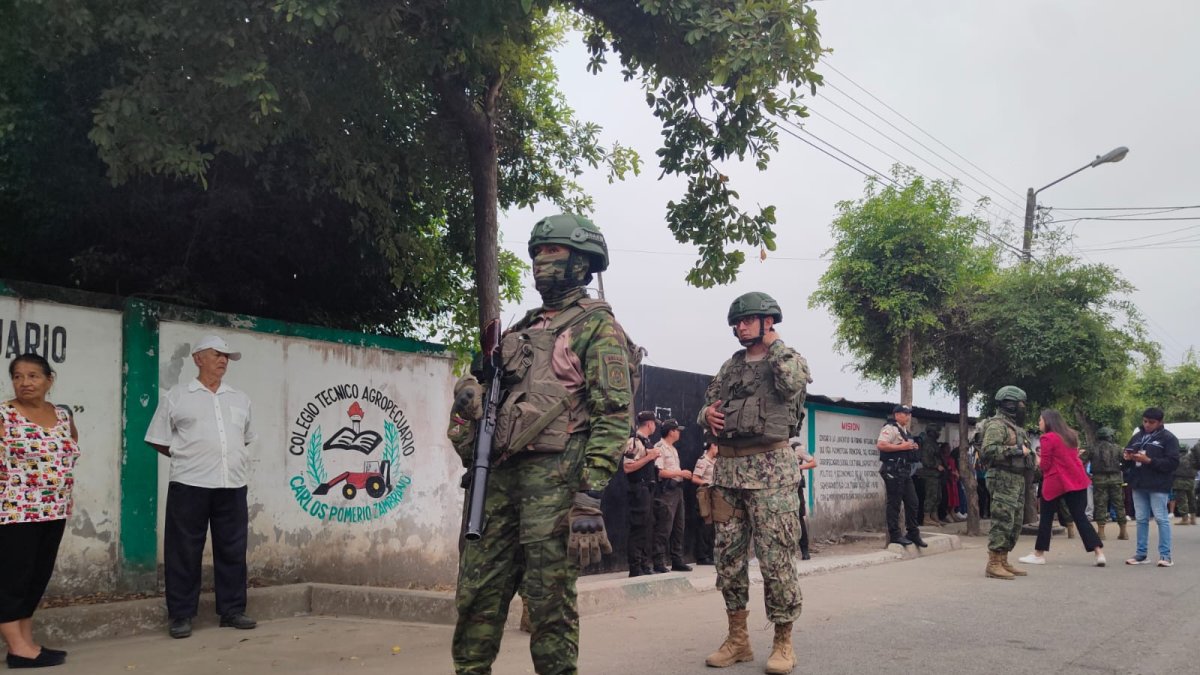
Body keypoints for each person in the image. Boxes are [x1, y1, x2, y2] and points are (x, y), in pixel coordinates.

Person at [446, 214, 633, 675]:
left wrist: (589, 495)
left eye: (553, 252)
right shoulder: (517, 330)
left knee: (549, 607)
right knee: (476, 596)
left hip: (555, 486)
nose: (540, 263)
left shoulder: (596, 327)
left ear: (582, 263)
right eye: (536, 253)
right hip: (497, 482)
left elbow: (613, 415)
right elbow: (487, 403)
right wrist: (469, 393)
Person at [699, 291, 810, 674]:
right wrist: (706, 415)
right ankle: (738, 639)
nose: (739, 327)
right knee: (727, 559)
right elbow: (708, 402)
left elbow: (794, 381)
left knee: (776, 559)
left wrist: (775, 344)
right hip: (728, 474)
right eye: (736, 322)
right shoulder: (729, 368)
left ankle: (783, 642)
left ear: (768, 321)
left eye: (747, 320)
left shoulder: (788, 358)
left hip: (771, 475)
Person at [145, 335, 258, 639]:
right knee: (183, 551)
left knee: (232, 548)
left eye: (226, 357)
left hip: (232, 483)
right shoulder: (177, 396)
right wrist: (191, 455)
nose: (223, 360)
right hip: (189, 483)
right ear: (198, 359)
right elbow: (158, 438)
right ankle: (181, 615)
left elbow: (244, 437)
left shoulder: (240, 398)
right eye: (217, 354)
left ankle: (232, 610)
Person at [1, 354, 78, 668]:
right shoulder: (5, 415)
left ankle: (26, 641)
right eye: (18, 376)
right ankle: (18, 648)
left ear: (50, 379)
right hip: (15, 512)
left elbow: (71, 448)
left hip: (54, 510)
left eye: (33, 376)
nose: (25, 383)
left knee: (36, 576)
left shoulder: (61, 415)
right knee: (12, 578)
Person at [1017, 410, 1105, 567]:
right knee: (1080, 517)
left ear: (1048, 422)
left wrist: (1031, 454)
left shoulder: (1047, 438)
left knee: (1046, 518)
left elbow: (1045, 465)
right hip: (1077, 479)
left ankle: (1039, 554)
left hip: (1056, 482)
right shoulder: (1071, 436)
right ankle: (1099, 552)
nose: (1039, 423)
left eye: (1040, 420)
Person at [980, 386, 1034, 580]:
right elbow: (988, 451)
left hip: (1016, 479)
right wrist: (1017, 451)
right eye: (1021, 404)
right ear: (1010, 404)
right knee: (1002, 520)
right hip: (1002, 477)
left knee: (1014, 522)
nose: (1023, 408)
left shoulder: (1014, 427)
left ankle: (1003, 559)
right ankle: (993, 563)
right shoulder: (997, 425)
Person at [1122, 408, 1180, 567]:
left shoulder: (1168, 438)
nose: (1147, 425)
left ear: (1160, 422)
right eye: (1145, 421)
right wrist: (1127, 457)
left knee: (1161, 518)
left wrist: (1149, 460)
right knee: (1141, 519)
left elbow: (1173, 463)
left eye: (1151, 422)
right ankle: (1141, 554)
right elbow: (1127, 456)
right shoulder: (1137, 436)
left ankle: (1166, 555)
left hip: (1158, 484)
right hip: (1138, 483)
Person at [876, 406, 926, 548]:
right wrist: (902, 447)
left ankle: (913, 533)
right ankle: (895, 535)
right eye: (905, 414)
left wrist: (912, 447)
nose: (908, 416)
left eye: (909, 414)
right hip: (893, 470)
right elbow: (881, 445)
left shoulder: (904, 431)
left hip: (904, 471)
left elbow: (904, 447)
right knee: (894, 504)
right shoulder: (890, 428)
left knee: (913, 502)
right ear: (897, 415)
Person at [651, 419, 692, 573]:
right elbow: (660, 471)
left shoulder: (673, 449)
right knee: (664, 527)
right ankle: (659, 561)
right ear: (671, 431)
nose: (679, 432)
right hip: (666, 491)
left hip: (677, 490)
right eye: (677, 430)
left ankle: (677, 560)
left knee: (678, 527)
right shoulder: (659, 447)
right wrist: (680, 473)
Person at [622, 411, 660, 577]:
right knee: (638, 527)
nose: (655, 426)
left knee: (647, 526)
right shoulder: (634, 441)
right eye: (654, 423)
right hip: (638, 489)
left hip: (648, 489)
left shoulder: (646, 442)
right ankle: (635, 567)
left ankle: (644, 564)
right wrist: (649, 457)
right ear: (649, 424)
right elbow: (627, 467)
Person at [1080, 427, 1127, 540]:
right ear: (1109, 436)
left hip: (1098, 479)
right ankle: (1123, 532)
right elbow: (1126, 461)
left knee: (1100, 504)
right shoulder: (1118, 448)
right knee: (1119, 504)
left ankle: (1101, 533)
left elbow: (1080, 461)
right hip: (1115, 479)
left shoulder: (1092, 448)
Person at [691, 442, 718, 565]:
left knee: (711, 527)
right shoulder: (703, 460)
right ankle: (702, 556)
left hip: (714, 495)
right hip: (705, 494)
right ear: (713, 446)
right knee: (704, 525)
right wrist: (706, 483)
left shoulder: (715, 461)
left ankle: (711, 554)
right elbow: (695, 478)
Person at [792, 439, 818, 560]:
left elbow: (813, 462)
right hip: (781, 489)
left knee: (799, 517)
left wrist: (797, 467)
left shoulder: (797, 447)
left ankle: (804, 550)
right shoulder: (774, 444)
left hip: (796, 488)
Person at [916, 422, 946, 525]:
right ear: (932, 432)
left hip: (936, 474)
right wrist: (936, 466)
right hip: (930, 474)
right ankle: (927, 518)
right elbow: (926, 460)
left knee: (938, 496)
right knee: (931, 496)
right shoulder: (928, 443)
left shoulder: (933, 443)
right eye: (937, 431)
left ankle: (934, 516)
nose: (939, 433)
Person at [1169, 440, 1199, 525]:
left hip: (1179, 481)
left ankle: (1185, 519)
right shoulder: (1191, 458)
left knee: (1182, 500)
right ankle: (1193, 519)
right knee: (1191, 499)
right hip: (1191, 481)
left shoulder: (1175, 458)